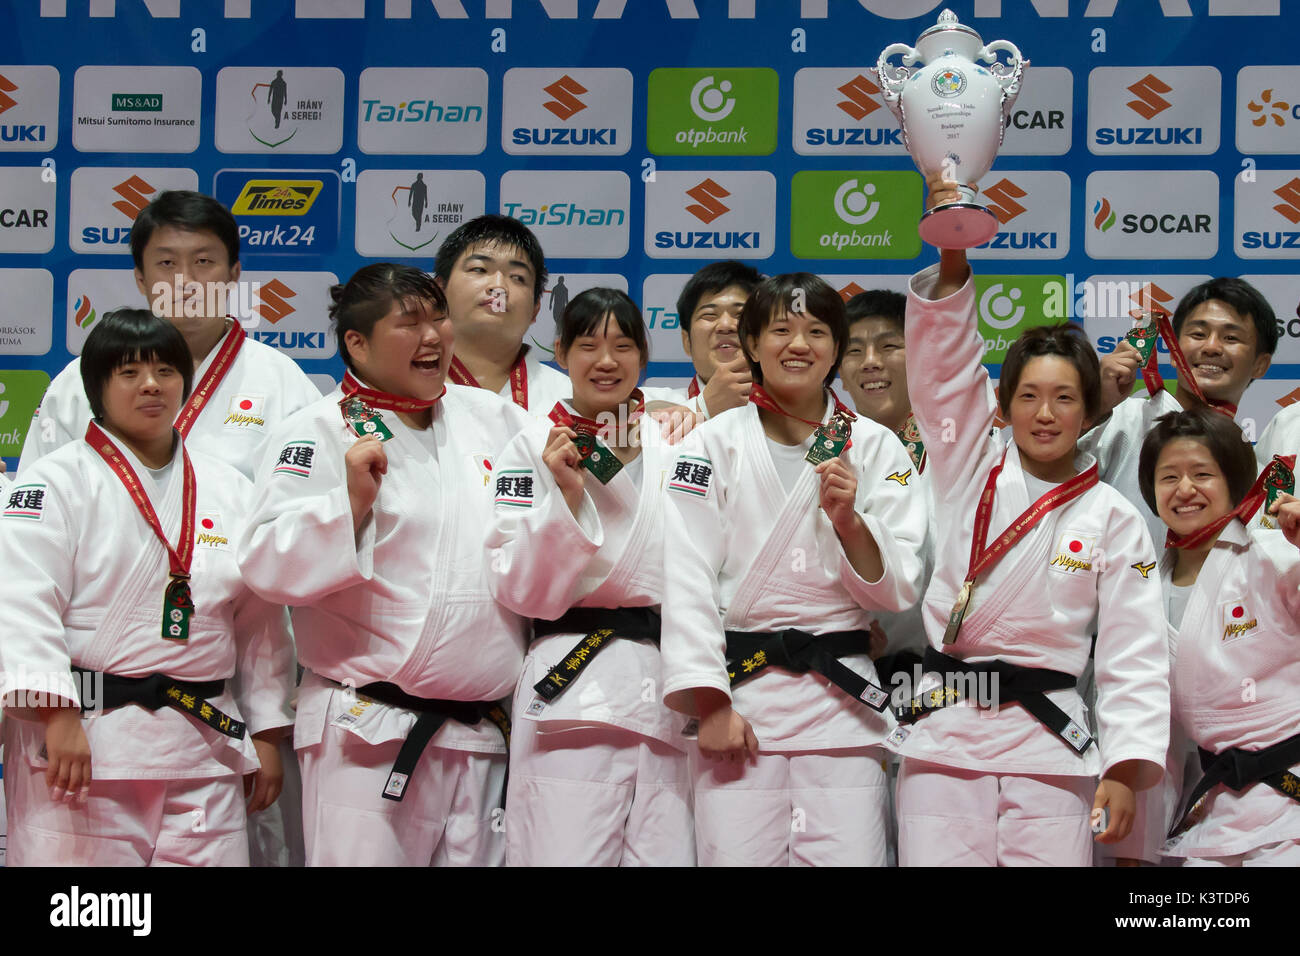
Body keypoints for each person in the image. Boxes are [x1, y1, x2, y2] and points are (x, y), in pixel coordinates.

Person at [891, 185, 1171, 866]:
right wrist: (952, 253)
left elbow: (1133, 655)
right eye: (1029, 397)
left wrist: (1128, 767)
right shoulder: (965, 466)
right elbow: (943, 373)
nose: (1046, 414)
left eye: (1065, 398)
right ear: (1003, 406)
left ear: (1088, 409)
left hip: (1051, 742)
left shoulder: (1115, 518)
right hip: (944, 731)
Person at [237, 264, 531, 866]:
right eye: (409, 323)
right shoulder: (317, 430)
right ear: (357, 343)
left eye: (438, 318)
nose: (433, 337)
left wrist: (658, 416)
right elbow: (265, 564)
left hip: (479, 736)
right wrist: (346, 506)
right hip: (366, 730)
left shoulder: (496, 420)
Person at [0, 308, 294, 866]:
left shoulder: (229, 488)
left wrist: (267, 730)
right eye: (129, 372)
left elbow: (259, 621)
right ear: (97, 388)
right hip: (86, 743)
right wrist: (56, 713)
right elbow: (21, 599)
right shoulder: (53, 481)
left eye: (165, 369)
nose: (152, 384)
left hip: (203, 746)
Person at [659, 272, 927, 866]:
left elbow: (902, 584)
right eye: (781, 329)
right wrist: (710, 702)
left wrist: (851, 524)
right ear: (751, 343)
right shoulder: (706, 446)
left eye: (815, 331)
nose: (798, 344)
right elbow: (685, 578)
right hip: (742, 697)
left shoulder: (876, 446)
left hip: (843, 703)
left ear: (835, 348)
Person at [486, 287, 693, 866]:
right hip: (571, 680)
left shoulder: (677, 443)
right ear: (559, 352)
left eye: (624, 345)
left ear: (645, 357)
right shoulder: (530, 446)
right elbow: (518, 587)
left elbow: (708, 565)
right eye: (589, 345)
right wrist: (567, 501)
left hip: (667, 685)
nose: (607, 361)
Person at [19, 190, 321, 482]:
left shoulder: (282, 382)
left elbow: (309, 504)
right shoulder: (80, 380)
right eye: (167, 263)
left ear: (233, 275)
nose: (185, 281)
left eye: (203, 261)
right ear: (141, 278)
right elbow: (36, 503)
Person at [1138, 408, 1300, 865]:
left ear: (1235, 482)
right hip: (1218, 806)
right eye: (1169, 476)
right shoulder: (1144, 582)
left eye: (1203, 474)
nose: (1185, 489)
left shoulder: (1274, 551)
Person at [1084, 277, 1278, 547]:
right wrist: (1092, 410)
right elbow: (1045, 481)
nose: (1211, 347)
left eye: (1231, 338)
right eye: (1198, 334)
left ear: (1260, 365)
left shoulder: (1255, 476)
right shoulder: (1121, 420)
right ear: (1174, 351)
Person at [434, 214, 570, 414]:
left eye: (517, 277)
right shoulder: (398, 391)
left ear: (535, 309)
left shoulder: (568, 400)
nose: (498, 287)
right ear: (439, 291)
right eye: (479, 269)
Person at [643, 261, 761, 419]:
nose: (725, 325)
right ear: (687, 341)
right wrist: (704, 408)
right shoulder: (648, 406)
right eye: (709, 315)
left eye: (740, 314)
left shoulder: (794, 412)